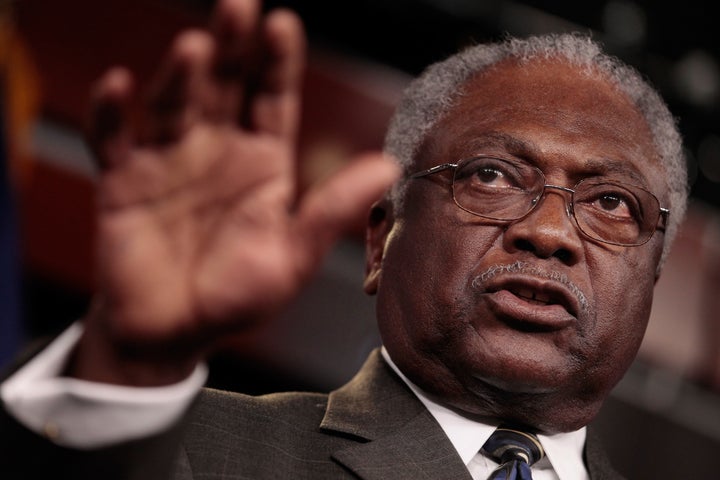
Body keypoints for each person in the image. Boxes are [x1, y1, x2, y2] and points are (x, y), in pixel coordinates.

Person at [0, 0, 688, 478]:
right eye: (491, 175)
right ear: (379, 243)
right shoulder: (185, 451)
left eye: (611, 203)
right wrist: (130, 364)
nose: (546, 232)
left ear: (650, 279)